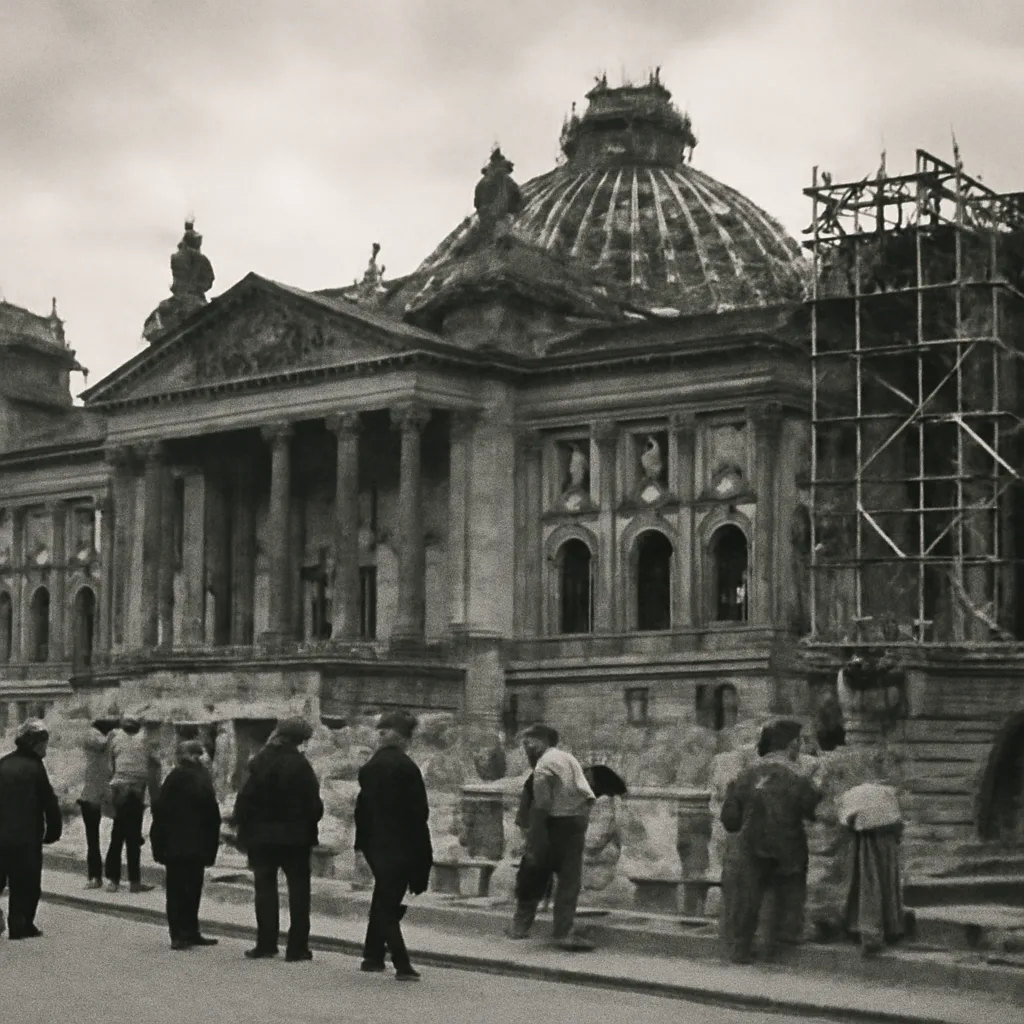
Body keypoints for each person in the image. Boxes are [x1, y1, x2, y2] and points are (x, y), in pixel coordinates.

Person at [720, 719, 820, 964]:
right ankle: (783, 943)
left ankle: (740, 949)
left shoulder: (743, 776)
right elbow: (813, 811)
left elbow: (730, 820)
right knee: (790, 890)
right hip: (788, 847)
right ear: (793, 745)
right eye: (800, 743)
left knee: (747, 897)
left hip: (750, 845)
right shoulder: (797, 777)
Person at [233, 716, 323, 962]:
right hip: (295, 839)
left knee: (264, 889)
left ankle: (265, 944)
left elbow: (244, 801)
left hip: (261, 838)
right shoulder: (301, 766)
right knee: (299, 892)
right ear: (300, 740)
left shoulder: (259, 762)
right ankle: (297, 948)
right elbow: (314, 807)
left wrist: (244, 829)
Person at [354, 710, 432, 981]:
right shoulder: (407, 768)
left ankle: (372, 955)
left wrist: (359, 846)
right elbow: (418, 814)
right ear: (406, 739)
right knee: (388, 904)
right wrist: (423, 854)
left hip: (376, 844)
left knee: (383, 897)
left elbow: (361, 810)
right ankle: (402, 963)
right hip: (401, 844)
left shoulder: (371, 766)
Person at [505, 724, 595, 951]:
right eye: (524, 743)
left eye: (529, 742)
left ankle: (520, 927)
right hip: (573, 825)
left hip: (550, 825)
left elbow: (542, 803)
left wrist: (534, 834)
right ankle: (562, 931)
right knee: (568, 881)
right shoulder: (567, 759)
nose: (526, 747)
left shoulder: (545, 764)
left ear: (544, 741)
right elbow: (586, 796)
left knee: (532, 873)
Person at [150, 739, 222, 950]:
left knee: (191, 888)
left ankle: (189, 931)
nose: (201, 758)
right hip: (180, 842)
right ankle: (179, 933)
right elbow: (162, 813)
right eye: (197, 754)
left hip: (191, 842)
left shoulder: (198, 778)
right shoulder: (179, 778)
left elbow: (211, 813)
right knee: (180, 890)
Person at [0, 720, 63, 939]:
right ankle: (21, 925)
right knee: (25, 883)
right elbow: (49, 802)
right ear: (35, 744)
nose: (46, 748)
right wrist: (54, 830)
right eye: (44, 744)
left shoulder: (3, 763)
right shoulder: (35, 768)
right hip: (26, 837)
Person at [838, 778, 905, 955]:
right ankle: (889, 927)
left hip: (864, 840)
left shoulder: (851, 795)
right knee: (887, 883)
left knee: (868, 884)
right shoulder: (886, 794)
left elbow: (845, 823)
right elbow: (898, 824)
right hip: (886, 840)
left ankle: (868, 931)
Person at [104, 714, 159, 893]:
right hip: (137, 791)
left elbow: (110, 765)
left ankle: (113, 880)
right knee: (133, 837)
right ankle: (135, 882)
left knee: (117, 835)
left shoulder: (115, 738)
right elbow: (154, 762)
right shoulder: (144, 741)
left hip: (119, 790)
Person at [79, 718, 113, 889]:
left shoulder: (92, 740)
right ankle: (110, 878)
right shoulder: (111, 743)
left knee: (92, 839)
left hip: (92, 794)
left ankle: (95, 876)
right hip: (107, 793)